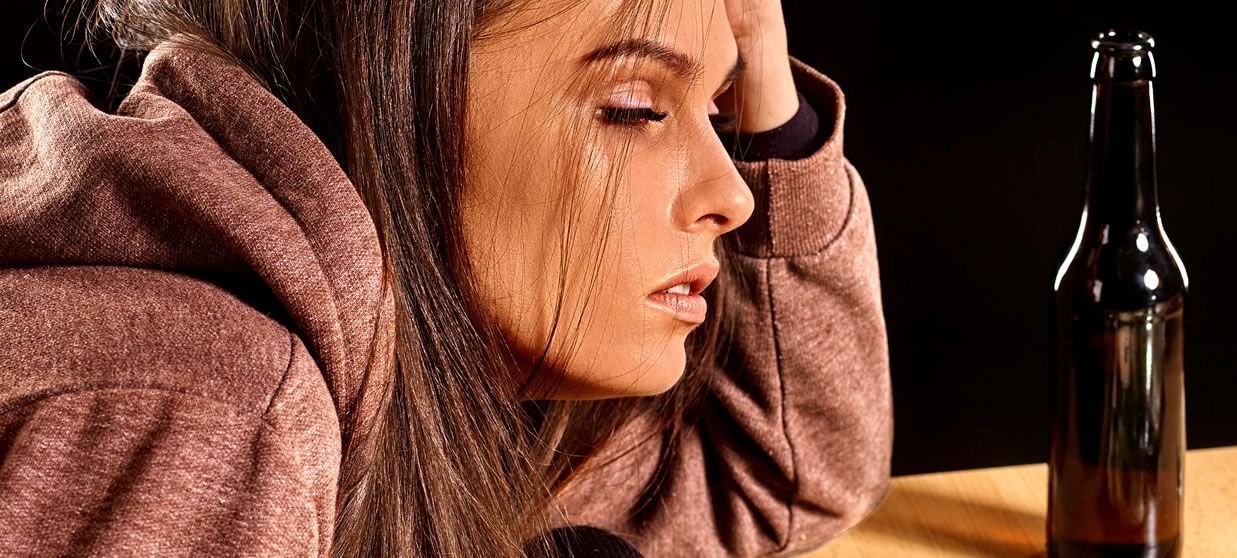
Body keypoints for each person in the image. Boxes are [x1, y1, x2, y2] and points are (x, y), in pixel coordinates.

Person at [0, 0, 890, 555]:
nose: (734, 196)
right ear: (393, 89)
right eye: (634, 109)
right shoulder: (207, 408)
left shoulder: (422, 373)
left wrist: (770, 99)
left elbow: (777, 482)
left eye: (718, 112)